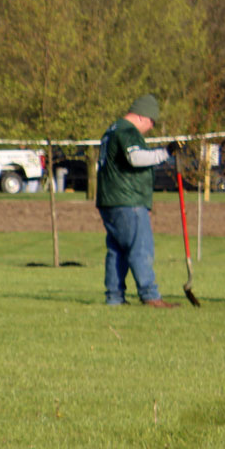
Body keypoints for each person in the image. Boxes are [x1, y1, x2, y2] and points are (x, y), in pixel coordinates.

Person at [96, 93, 177, 308]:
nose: (151, 127)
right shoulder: (127, 131)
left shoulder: (111, 130)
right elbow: (136, 157)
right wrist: (165, 153)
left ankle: (114, 297)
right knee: (140, 247)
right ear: (142, 116)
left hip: (110, 200)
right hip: (127, 200)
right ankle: (150, 295)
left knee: (117, 249)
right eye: (151, 122)